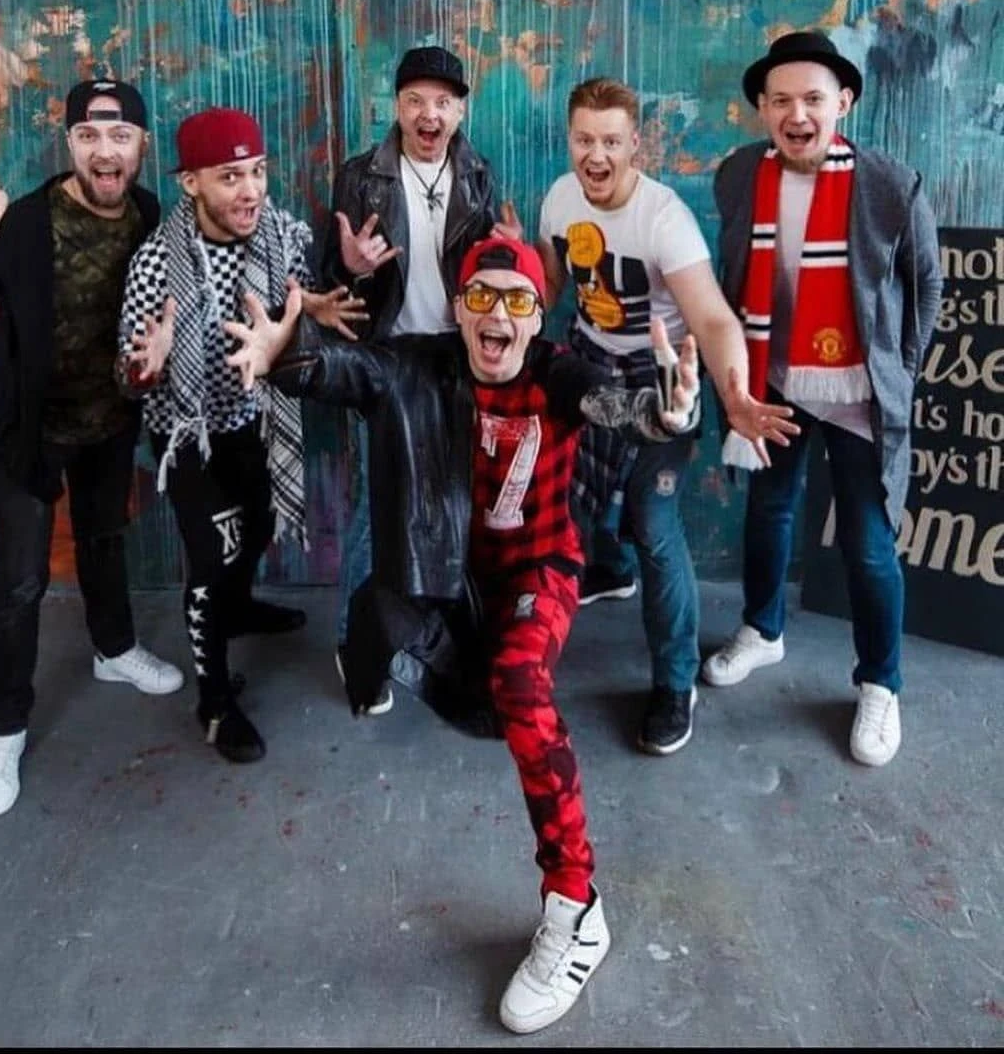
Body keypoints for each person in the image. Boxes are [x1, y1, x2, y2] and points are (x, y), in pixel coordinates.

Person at [223, 236, 702, 1034]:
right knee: (395, 640)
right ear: (457, 308)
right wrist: (285, 355)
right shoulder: (419, 364)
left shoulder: (557, 371)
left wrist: (661, 414)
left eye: (516, 300)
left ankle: (576, 907)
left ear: (537, 316)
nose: (496, 315)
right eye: (481, 296)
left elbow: (613, 406)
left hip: (540, 568)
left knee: (520, 687)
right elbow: (347, 371)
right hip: (448, 574)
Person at [0, 78, 184, 819]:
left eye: (120, 135)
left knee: (104, 540)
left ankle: (114, 650)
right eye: (89, 135)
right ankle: (3, 731)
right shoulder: (22, 224)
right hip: (28, 430)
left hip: (109, 422)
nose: (106, 150)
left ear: (140, 145)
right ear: (71, 143)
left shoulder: (150, 214)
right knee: (18, 585)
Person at [700, 31, 943, 768]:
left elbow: (926, 285)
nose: (796, 114)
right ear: (763, 109)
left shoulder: (890, 184)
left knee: (868, 545)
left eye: (812, 98)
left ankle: (880, 683)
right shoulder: (740, 175)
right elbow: (733, 274)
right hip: (777, 381)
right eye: (781, 101)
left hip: (858, 392)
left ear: (845, 102)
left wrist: (897, 373)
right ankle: (762, 629)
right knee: (769, 511)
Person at [537, 77, 798, 756]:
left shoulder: (664, 220)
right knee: (568, 502)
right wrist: (520, 286)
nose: (596, 155)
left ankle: (675, 681)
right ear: (570, 139)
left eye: (611, 142)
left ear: (636, 145)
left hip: (663, 378)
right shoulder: (560, 199)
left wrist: (735, 398)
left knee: (654, 523)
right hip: (591, 362)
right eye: (584, 140)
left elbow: (713, 320)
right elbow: (556, 282)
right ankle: (608, 570)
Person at [117, 106, 365, 765]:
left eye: (257, 172)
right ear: (190, 183)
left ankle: (239, 606)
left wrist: (314, 306)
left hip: (255, 420)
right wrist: (149, 364)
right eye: (230, 177)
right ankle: (215, 702)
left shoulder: (280, 233)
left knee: (256, 528)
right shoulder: (155, 265)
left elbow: (299, 300)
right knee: (211, 560)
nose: (251, 190)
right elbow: (127, 377)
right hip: (191, 435)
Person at [319, 44, 513, 708]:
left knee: (457, 500)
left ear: (459, 111)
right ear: (397, 107)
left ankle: (438, 630)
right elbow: (332, 284)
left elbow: (489, 270)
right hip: (388, 355)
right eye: (415, 101)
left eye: (443, 102)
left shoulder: (478, 173)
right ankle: (355, 641)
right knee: (378, 507)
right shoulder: (361, 176)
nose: (429, 115)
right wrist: (352, 269)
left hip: (458, 357)